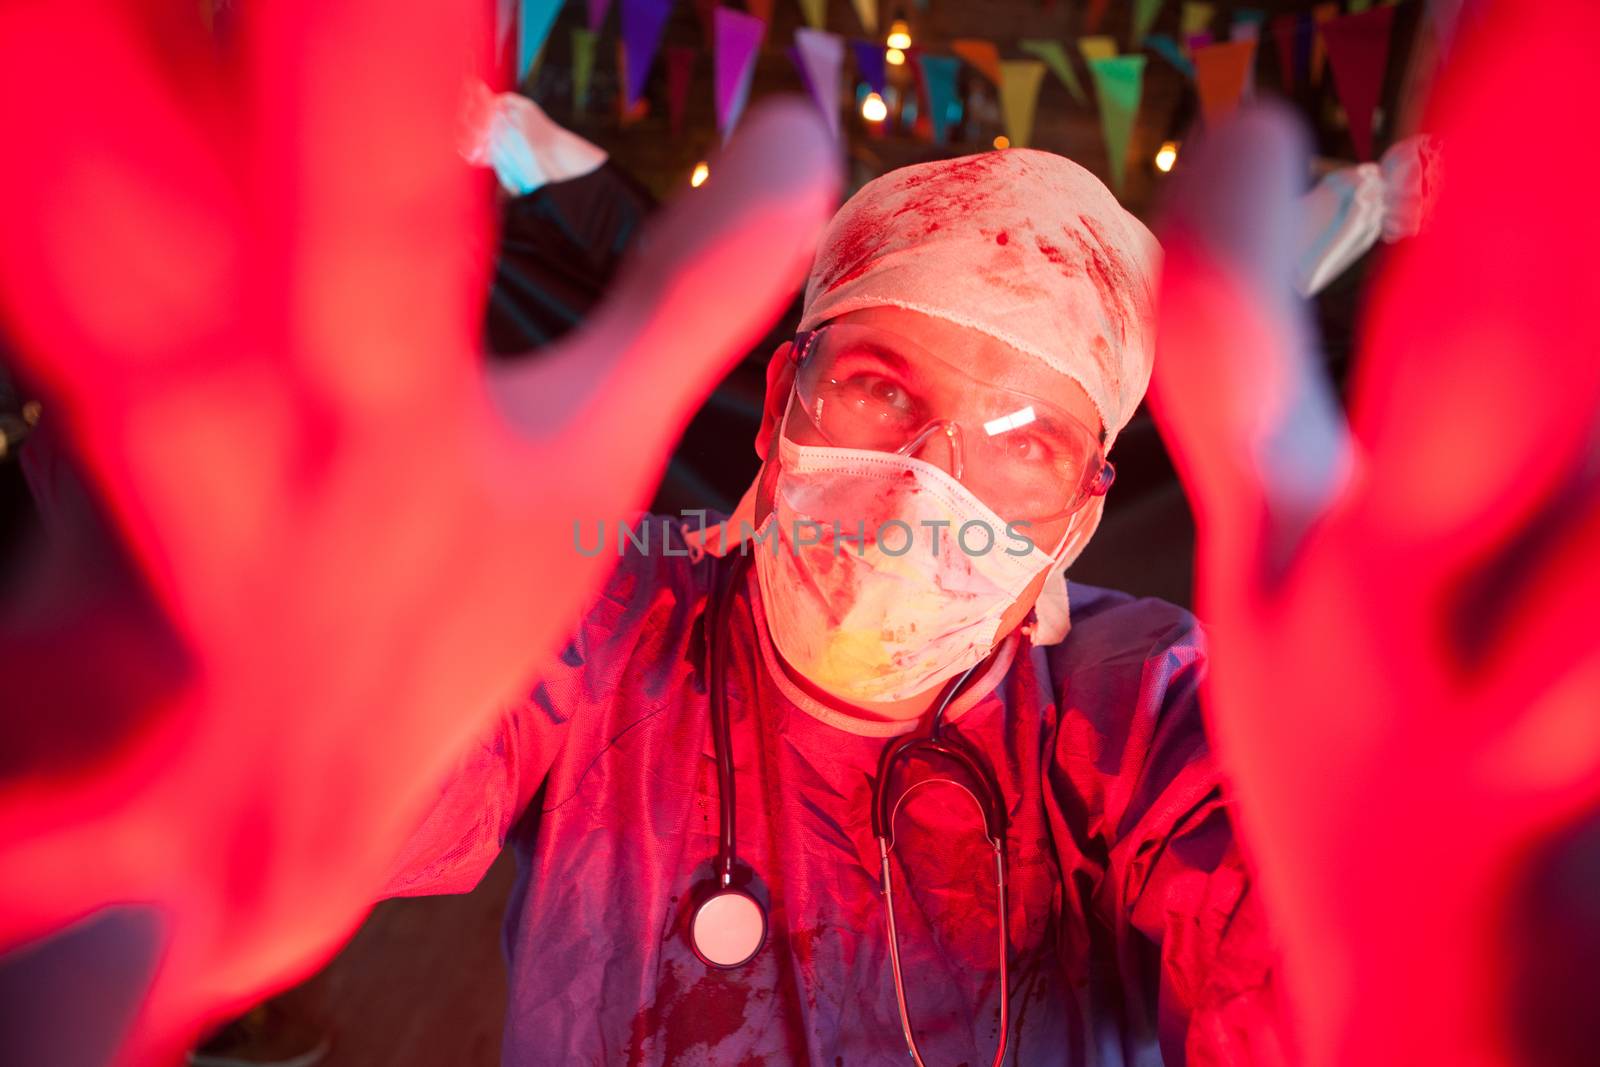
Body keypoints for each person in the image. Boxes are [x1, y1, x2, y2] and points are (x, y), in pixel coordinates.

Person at [380, 148, 1285, 1066]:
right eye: (880, 390)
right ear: (780, 404)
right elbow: (368, 783)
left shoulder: (1141, 716)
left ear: (1081, 515)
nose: (923, 491)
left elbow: (1289, 959)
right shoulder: (602, 619)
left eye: (1026, 443)